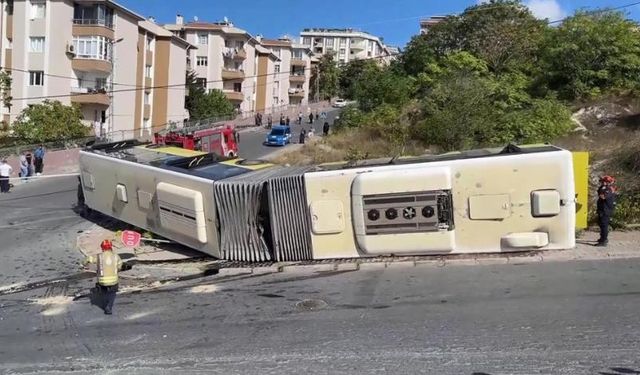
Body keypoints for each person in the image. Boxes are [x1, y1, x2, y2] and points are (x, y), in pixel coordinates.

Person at [84, 239, 123, 315]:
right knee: (112, 294)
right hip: (113, 281)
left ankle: (105, 301)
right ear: (111, 247)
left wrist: (84, 264)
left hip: (102, 281)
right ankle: (109, 307)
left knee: (104, 292)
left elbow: (89, 259)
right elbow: (120, 266)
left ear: (102, 248)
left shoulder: (99, 257)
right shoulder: (116, 256)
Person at [596, 175, 617, 247]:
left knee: (604, 225)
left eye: (604, 181)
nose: (602, 182)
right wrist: (602, 189)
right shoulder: (603, 188)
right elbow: (599, 193)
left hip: (606, 210)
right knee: (601, 224)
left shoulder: (609, 189)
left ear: (608, 182)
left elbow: (603, 197)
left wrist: (602, 190)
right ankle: (602, 238)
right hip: (602, 209)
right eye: (602, 181)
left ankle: (604, 241)